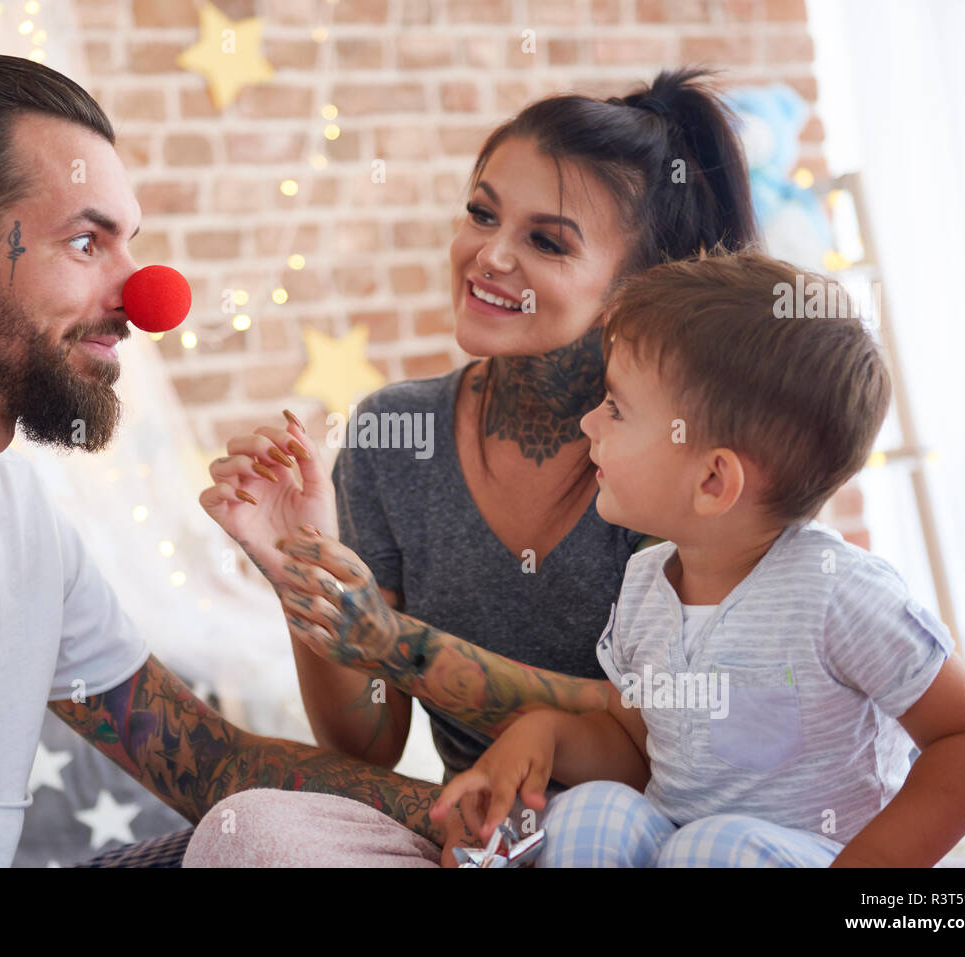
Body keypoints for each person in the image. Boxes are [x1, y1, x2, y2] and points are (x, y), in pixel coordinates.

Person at [0, 53, 474, 868]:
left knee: (277, 838)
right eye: (87, 242)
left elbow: (214, 763)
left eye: (132, 245)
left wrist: (477, 809)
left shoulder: (17, 505)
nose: (149, 296)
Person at [189, 69, 759, 864]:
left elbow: (659, 723)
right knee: (247, 829)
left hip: (655, 833)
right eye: (482, 213)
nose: (489, 255)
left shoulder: (679, 458)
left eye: (546, 241)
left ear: (640, 287)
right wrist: (306, 576)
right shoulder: (394, 435)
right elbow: (372, 740)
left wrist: (399, 640)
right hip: (480, 838)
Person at [425, 252, 965, 866]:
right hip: (682, 843)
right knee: (589, 814)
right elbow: (637, 746)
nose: (588, 422)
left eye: (616, 408)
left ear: (713, 481)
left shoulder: (840, 594)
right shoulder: (646, 584)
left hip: (814, 853)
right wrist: (538, 735)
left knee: (713, 849)